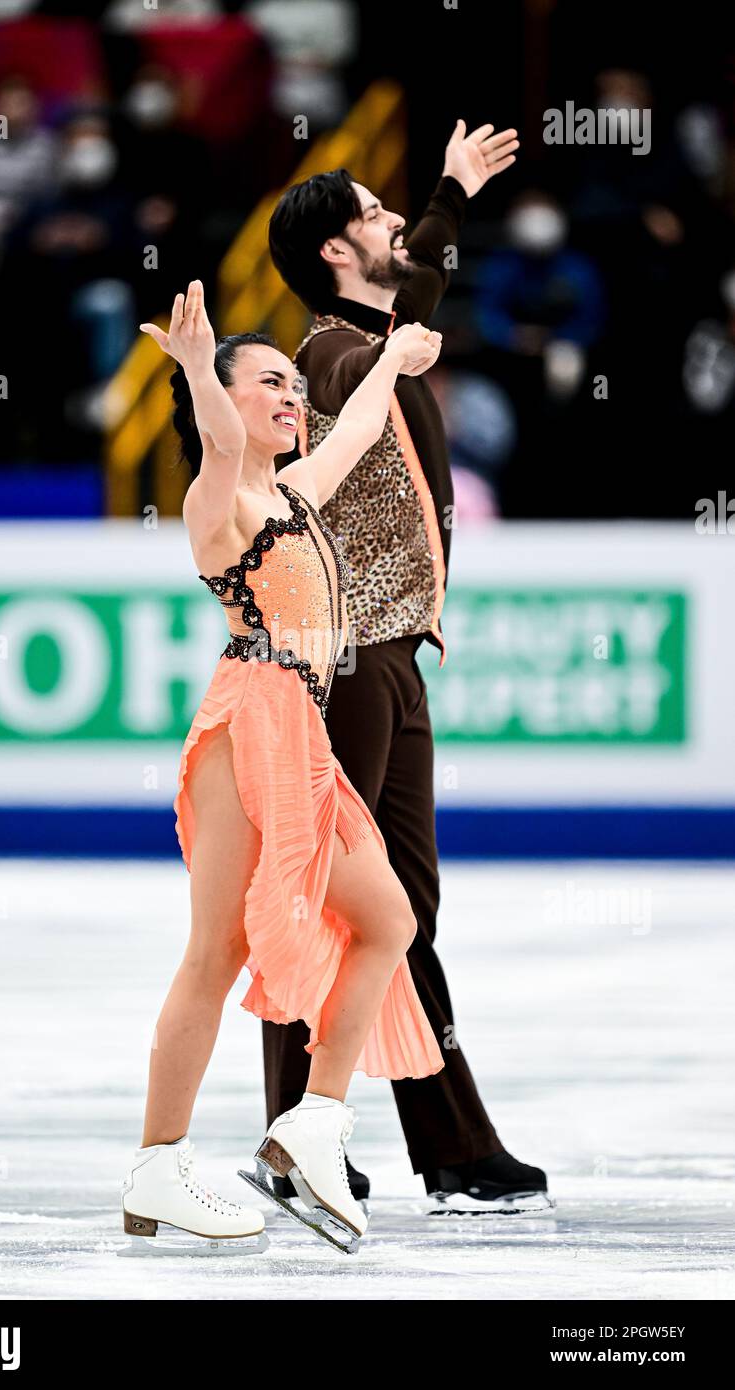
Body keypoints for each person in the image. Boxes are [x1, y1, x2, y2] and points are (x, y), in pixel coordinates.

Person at [121, 281, 444, 1255]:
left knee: (387, 918)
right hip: (245, 721)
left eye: (291, 384)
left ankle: (310, 1123)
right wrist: (191, 367)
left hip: (298, 725)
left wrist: (389, 359)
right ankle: (156, 1164)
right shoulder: (219, 503)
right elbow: (221, 442)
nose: (287, 396)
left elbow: (350, 434)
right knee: (214, 951)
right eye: (266, 382)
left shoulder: (298, 494)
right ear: (223, 398)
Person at [267, 119, 553, 1212]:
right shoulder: (331, 358)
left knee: (399, 912)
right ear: (338, 253)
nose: (397, 224)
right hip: (342, 663)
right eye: (376, 215)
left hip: (388, 661)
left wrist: (446, 193)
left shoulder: (368, 338)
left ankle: (444, 1142)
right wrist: (436, 210)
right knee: (333, 906)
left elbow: (412, 299)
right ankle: (324, 1137)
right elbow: (391, 332)